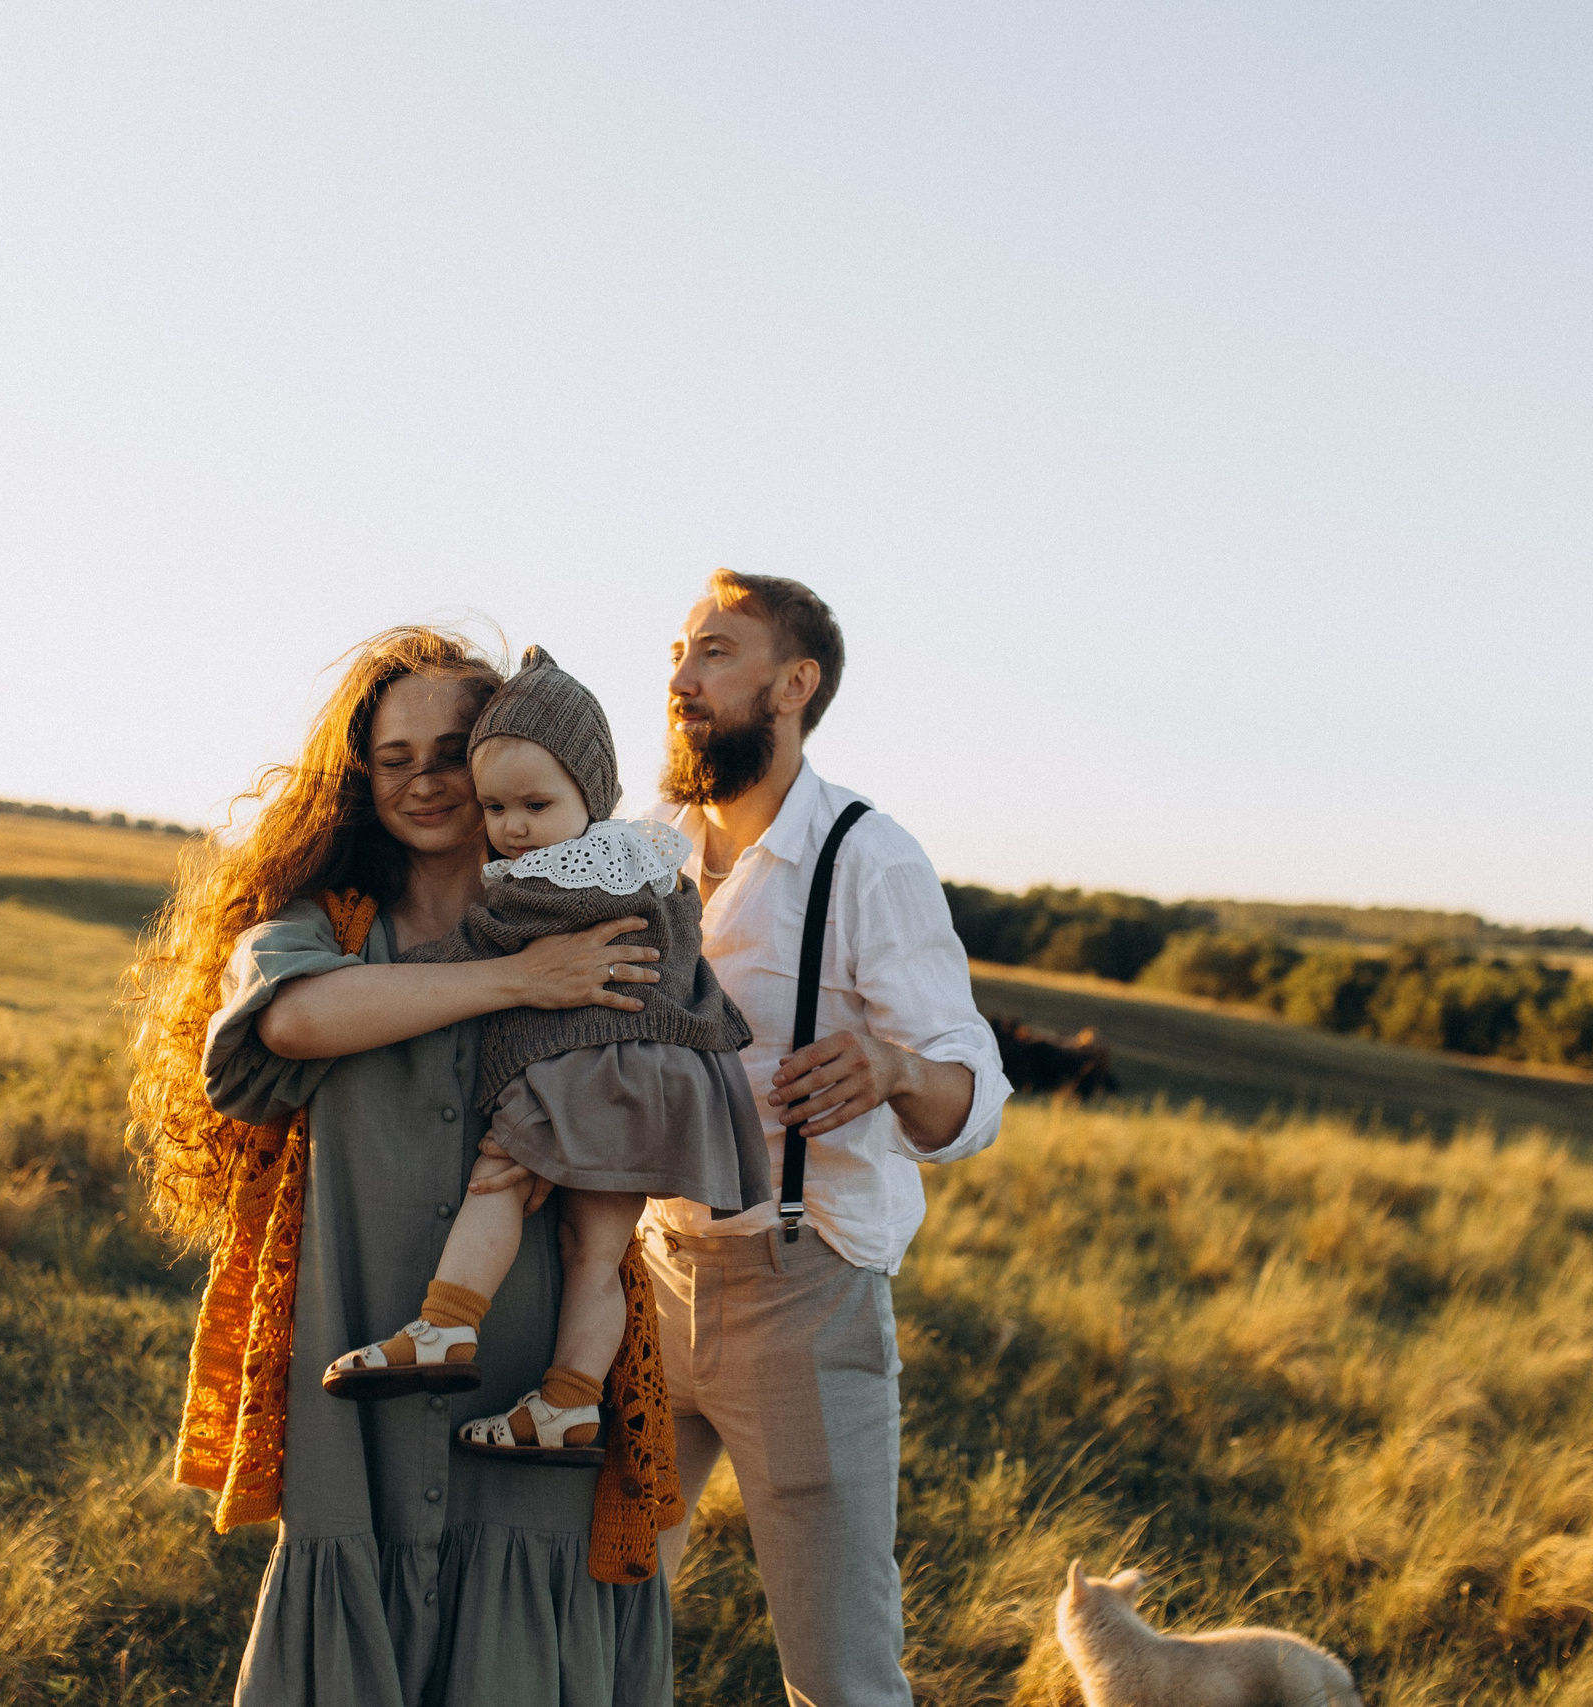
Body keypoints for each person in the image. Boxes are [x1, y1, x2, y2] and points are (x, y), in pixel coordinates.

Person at [123, 626, 676, 1707]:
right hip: (355, 1367)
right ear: (357, 777)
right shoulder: (320, 924)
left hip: (533, 1372)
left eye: (453, 748)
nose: (425, 780)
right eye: (393, 757)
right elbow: (289, 1023)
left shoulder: (607, 920)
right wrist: (521, 980)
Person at [639, 571, 1013, 1707]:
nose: (681, 677)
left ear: (793, 684)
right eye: (675, 654)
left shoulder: (867, 856)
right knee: (590, 1616)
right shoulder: (638, 843)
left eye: (713, 651)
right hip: (640, 1277)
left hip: (803, 1292)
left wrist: (896, 1069)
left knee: (839, 1668)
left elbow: (971, 1095)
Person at [321, 647, 768, 1464]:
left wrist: (377, 978)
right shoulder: (654, 864)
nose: (515, 826)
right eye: (496, 806)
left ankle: (446, 1325)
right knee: (596, 1250)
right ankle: (568, 1400)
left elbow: (471, 950)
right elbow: (684, 960)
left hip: (586, 1070)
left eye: (536, 802)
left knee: (499, 1181)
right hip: (666, 1085)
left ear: (590, 796)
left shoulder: (545, 882)